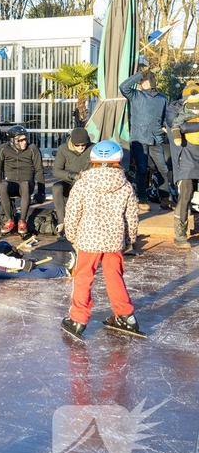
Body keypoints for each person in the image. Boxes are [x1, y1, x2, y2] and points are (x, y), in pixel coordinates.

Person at [61, 140, 143, 339]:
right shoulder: (125, 186)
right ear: (118, 161)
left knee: (83, 278)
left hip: (88, 240)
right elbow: (132, 216)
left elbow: (72, 213)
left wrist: (71, 235)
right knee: (114, 277)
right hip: (114, 241)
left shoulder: (82, 184)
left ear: (93, 160)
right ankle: (126, 316)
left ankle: (78, 319)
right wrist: (130, 239)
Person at [119, 69, 173, 212]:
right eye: (141, 80)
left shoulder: (162, 98)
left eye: (145, 80)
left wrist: (166, 129)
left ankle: (165, 198)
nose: (142, 82)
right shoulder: (136, 95)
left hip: (157, 138)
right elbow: (123, 87)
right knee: (141, 170)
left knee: (163, 169)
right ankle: (142, 199)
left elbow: (166, 117)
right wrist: (139, 75)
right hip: (139, 138)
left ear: (152, 82)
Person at [0, 125, 45, 235]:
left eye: (25, 139)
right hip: (12, 182)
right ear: (13, 141)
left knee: (25, 185)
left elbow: (39, 170)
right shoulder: (2, 149)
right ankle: (9, 220)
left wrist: (41, 191)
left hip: (27, 183)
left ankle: (22, 221)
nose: (24, 142)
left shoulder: (32, 149)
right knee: (3, 185)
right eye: (20, 140)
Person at [168, 81, 199, 248]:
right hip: (186, 155)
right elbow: (179, 125)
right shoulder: (174, 109)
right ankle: (180, 234)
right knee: (186, 193)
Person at [51, 127, 94, 236]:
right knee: (56, 188)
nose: (81, 147)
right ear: (72, 143)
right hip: (69, 183)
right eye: (77, 145)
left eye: (83, 145)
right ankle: (62, 223)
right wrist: (72, 175)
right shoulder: (63, 149)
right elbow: (56, 171)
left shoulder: (93, 148)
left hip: (86, 184)